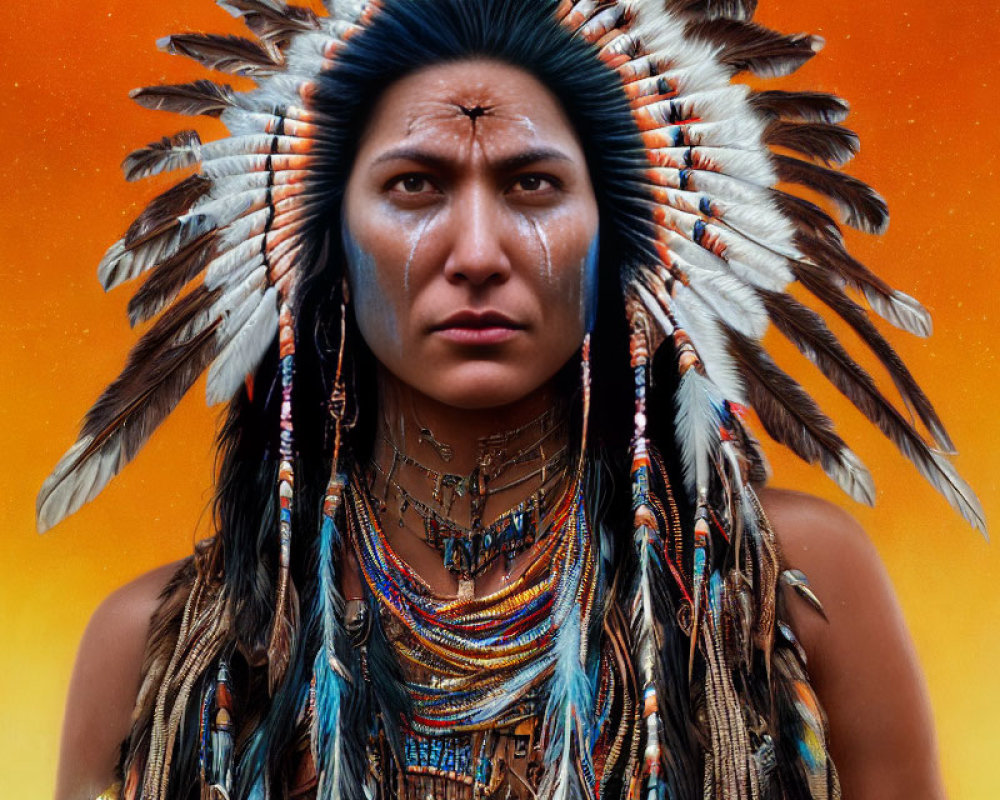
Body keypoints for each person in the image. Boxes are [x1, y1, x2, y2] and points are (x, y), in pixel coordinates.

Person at [41, 0, 985, 798]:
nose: (480, 252)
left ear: (615, 235)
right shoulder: (157, 656)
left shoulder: (787, 586)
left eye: (533, 185)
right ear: (326, 241)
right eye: (415, 185)